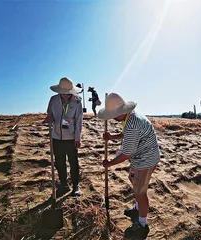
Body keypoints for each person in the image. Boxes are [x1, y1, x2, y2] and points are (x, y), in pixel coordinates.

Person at [98, 93, 160, 239]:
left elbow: (126, 154)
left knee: (140, 192)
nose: (112, 118)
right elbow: (126, 134)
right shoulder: (130, 116)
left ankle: (142, 224)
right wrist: (112, 137)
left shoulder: (132, 123)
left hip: (146, 159)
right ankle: (137, 210)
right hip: (140, 156)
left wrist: (109, 163)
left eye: (113, 115)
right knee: (134, 181)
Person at [44, 77, 83, 197]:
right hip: (56, 137)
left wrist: (78, 138)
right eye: (63, 93)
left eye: (68, 93)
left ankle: (75, 185)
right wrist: (49, 118)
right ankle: (64, 184)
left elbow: (79, 121)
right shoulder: (53, 100)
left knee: (73, 162)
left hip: (71, 138)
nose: (66, 95)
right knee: (59, 162)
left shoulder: (77, 102)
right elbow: (49, 114)